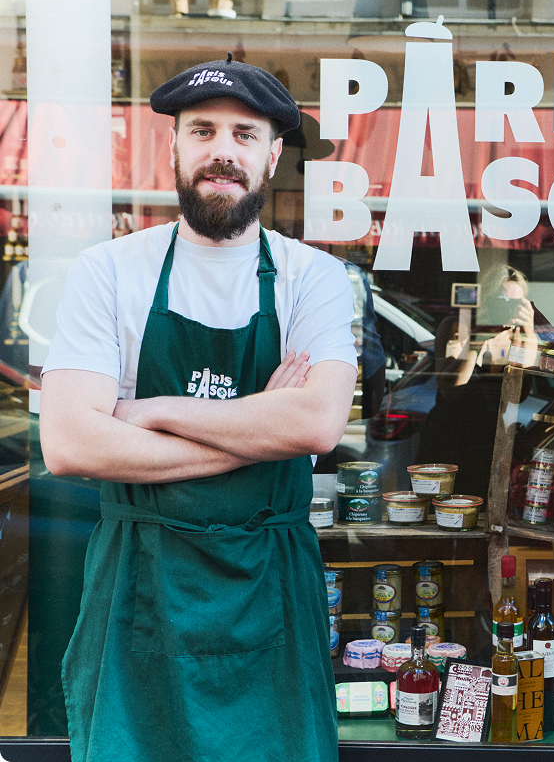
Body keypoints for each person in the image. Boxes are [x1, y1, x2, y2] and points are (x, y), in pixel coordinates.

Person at [38, 55, 357, 762]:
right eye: (202, 130)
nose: (222, 150)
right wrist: (257, 427)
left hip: (270, 585)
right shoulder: (110, 271)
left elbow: (314, 424)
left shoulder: (314, 278)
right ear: (173, 147)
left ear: (272, 157)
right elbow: (69, 443)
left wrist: (145, 409)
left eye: (245, 134)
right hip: (140, 584)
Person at [415, 266, 548, 499]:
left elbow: (519, 394)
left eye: (515, 303)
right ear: (484, 299)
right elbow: (450, 390)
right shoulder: (458, 326)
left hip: (490, 445)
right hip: (447, 438)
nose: (506, 308)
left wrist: (528, 334)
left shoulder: (519, 336)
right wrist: (478, 338)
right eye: (501, 300)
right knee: (433, 516)